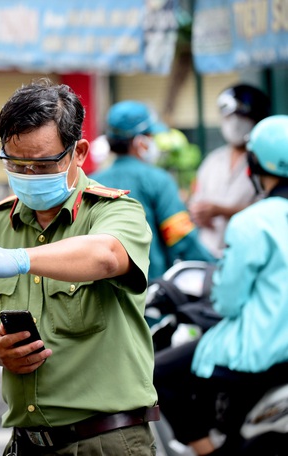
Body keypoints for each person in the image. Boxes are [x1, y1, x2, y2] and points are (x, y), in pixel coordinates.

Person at [0, 79, 159, 455]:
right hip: (26, 442)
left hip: (105, 441)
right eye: (15, 163)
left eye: (42, 163)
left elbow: (105, 256)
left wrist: (20, 260)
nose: (28, 174)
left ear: (78, 152)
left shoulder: (115, 212)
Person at [153, 115, 288, 455]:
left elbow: (228, 301)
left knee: (160, 373)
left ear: (253, 164)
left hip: (258, 351)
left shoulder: (251, 223)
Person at [91, 100, 214, 280]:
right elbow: (180, 237)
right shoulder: (157, 180)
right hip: (150, 292)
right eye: (150, 135)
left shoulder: (92, 182)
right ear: (139, 141)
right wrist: (214, 267)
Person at [188, 84, 271, 258]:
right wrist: (197, 213)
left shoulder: (266, 162)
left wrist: (222, 210)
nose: (233, 123)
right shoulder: (212, 160)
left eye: (240, 116)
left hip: (248, 254)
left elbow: (272, 209)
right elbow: (196, 201)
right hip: (207, 253)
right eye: (227, 117)